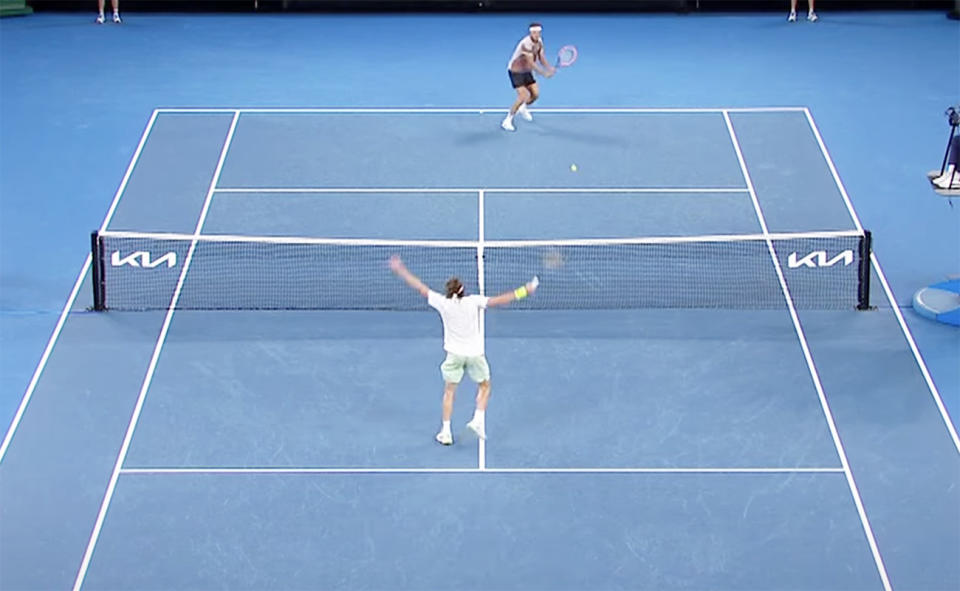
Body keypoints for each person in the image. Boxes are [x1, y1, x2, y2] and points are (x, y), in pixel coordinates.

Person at [389, 255, 539, 445]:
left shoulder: (442, 302)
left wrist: (400, 269)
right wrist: (525, 290)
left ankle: (445, 432)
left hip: (454, 356)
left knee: (449, 392)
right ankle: (478, 419)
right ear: (462, 290)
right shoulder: (474, 301)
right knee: (485, 386)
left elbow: (419, 287)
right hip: (475, 355)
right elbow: (500, 300)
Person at [501, 22, 555, 132]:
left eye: (538, 32)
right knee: (523, 95)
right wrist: (544, 73)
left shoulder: (539, 42)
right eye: (534, 32)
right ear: (530, 33)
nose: (536, 34)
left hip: (527, 72)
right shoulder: (526, 44)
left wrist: (550, 67)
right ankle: (507, 120)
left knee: (535, 94)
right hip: (516, 72)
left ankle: (523, 107)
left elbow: (541, 57)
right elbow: (531, 63)